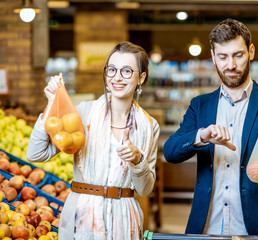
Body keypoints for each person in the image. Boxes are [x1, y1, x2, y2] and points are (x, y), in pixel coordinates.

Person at [163, 18, 258, 240]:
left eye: (238, 55)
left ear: (251, 52)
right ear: (213, 57)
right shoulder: (200, 105)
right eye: (223, 57)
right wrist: (201, 136)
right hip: (207, 227)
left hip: (257, 229)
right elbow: (170, 152)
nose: (231, 65)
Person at [26, 41, 160, 240]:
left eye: (127, 71)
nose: (117, 77)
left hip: (124, 221)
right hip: (82, 218)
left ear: (141, 78)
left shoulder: (149, 126)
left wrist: (138, 159)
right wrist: (51, 105)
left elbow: (144, 189)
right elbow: (36, 153)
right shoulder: (84, 114)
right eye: (112, 70)